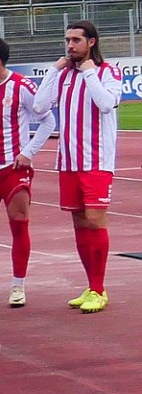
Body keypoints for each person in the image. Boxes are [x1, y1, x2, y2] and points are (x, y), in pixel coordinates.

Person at [30, 21, 121, 313]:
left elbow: (106, 104)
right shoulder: (64, 75)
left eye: (76, 40)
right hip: (68, 160)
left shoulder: (107, 72)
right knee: (79, 222)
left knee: (95, 220)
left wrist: (90, 73)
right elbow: (40, 107)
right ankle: (91, 285)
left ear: (91, 42)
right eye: (67, 39)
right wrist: (53, 71)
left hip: (96, 160)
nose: (70, 45)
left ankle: (99, 288)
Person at [0, 38, 53, 309]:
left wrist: (28, 152)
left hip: (14, 169)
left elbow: (48, 121)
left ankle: (18, 285)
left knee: (19, 224)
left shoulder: (22, 86)